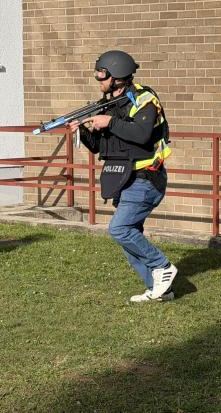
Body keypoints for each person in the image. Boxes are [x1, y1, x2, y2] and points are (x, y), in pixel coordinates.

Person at [67, 50, 177, 303]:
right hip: (124, 178)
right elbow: (99, 147)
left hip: (146, 178)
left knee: (120, 229)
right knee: (130, 236)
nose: (98, 80)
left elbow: (141, 134)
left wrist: (109, 123)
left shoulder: (145, 100)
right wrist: (82, 131)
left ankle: (162, 267)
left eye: (102, 75)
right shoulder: (109, 105)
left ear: (117, 76)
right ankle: (159, 290)